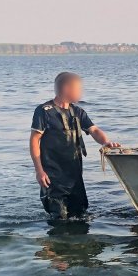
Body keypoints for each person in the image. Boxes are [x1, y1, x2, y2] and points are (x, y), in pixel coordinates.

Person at [30, 72, 120, 219]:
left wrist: (106, 142)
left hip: (74, 175)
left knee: (80, 214)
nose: (81, 92)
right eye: (78, 89)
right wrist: (39, 171)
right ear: (66, 89)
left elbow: (94, 130)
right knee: (59, 217)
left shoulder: (78, 112)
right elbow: (34, 141)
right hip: (53, 176)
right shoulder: (44, 112)